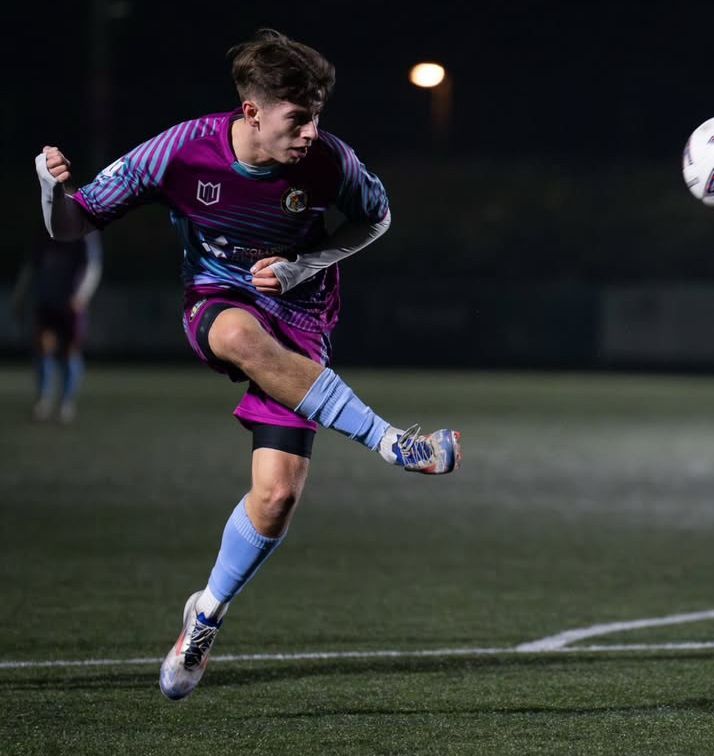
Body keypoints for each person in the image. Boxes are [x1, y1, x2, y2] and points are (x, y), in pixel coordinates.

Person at [35, 29, 462, 700]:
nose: (310, 132)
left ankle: (203, 616)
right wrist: (50, 189)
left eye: (317, 116)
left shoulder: (329, 161)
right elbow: (72, 223)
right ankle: (390, 441)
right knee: (238, 336)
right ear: (251, 110)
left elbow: (375, 219)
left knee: (277, 496)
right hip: (217, 300)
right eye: (298, 118)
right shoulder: (180, 150)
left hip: (303, 315)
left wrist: (302, 265)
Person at [11, 231, 103, 422]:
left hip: (71, 303)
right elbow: (31, 265)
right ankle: (43, 399)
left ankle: (66, 402)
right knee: (43, 346)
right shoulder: (47, 230)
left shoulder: (84, 232)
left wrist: (81, 296)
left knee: (71, 351)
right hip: (46, 300)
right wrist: (20, 295)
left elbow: (93, 266)